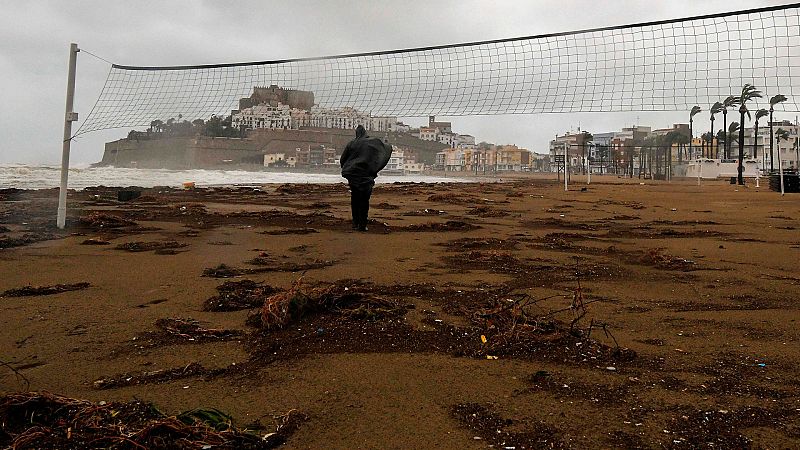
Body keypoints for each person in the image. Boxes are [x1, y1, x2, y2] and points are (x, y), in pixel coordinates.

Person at [340, 125, 392, 232]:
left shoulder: (352, 143)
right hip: (367, 176)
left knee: (355, 199)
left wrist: (349, 168)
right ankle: (362, 225)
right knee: (364, 201)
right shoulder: (373, 143)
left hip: (353, 176)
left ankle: (355, 223)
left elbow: (342, 159)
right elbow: (385, 148)